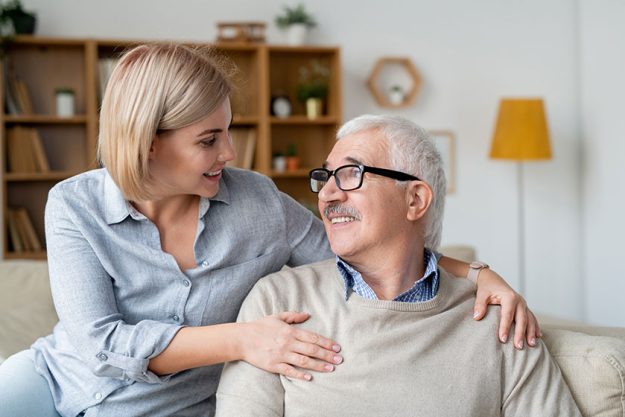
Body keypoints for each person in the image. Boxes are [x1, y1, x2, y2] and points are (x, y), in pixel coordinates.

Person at [0, 44, 537, 417]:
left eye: (228, 132)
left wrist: (475, 271)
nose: (229, 154)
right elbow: (100, 346)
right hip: (55, 382)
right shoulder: (73, 205)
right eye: (209, 140)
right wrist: (243, 339)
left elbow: (357, 250)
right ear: (149, 144)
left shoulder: (254, 201)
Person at [215, 115, 581, 417]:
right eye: (326, 177)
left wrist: (479, 273)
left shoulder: (498, 320)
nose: (327, 193)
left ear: (415, 199)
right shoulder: (277, 301)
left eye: (351, 174)